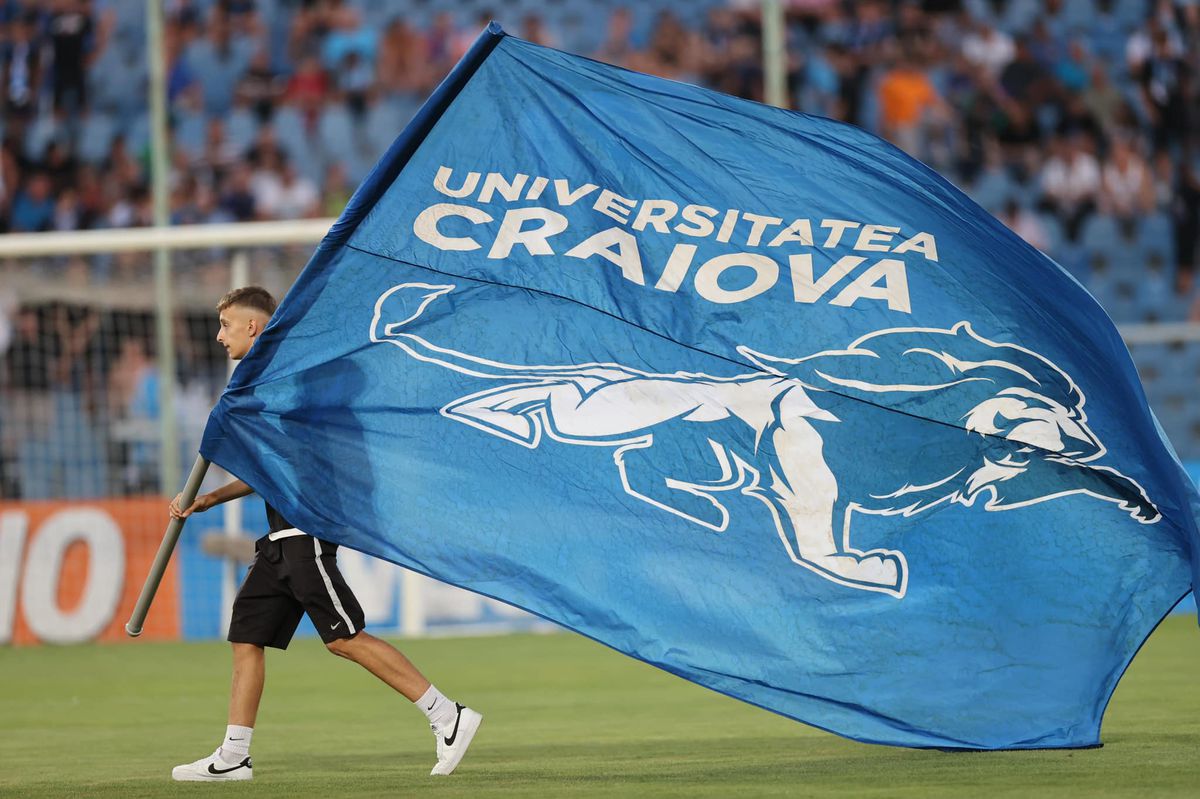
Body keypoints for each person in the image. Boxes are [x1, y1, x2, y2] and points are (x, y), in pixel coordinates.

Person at [168, 286, 481, 782]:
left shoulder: (293, 384)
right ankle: (234, 756)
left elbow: (298, 457)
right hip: (277, 539)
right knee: (246, 638)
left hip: (304, 530)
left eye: (226, 325)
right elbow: (272, 467)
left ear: (253, 327)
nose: (219, 335)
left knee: (343, 638)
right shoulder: (268, 387)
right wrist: (209, 498)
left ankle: (448, 715)